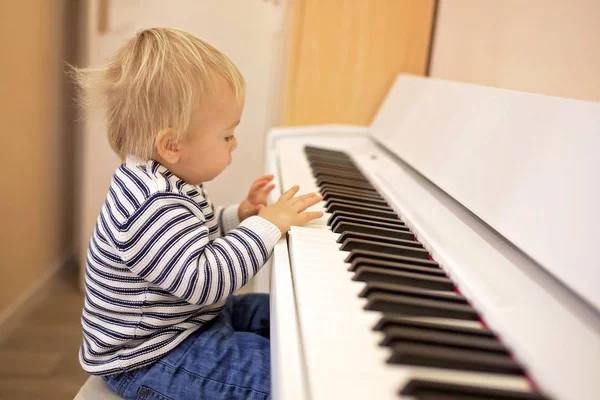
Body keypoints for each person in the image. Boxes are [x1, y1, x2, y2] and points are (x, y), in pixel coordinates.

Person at [71, 27, 323, 399]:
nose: (235, 143)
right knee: (278, 381)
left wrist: (238, 215)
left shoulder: (163, 180)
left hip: (187, 322)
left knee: (292, 319)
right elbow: (204, 280)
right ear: (172, 145)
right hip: (151, 356)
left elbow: (192, 239)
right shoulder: (149, 205)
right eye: (227, 136)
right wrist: (265, 227)